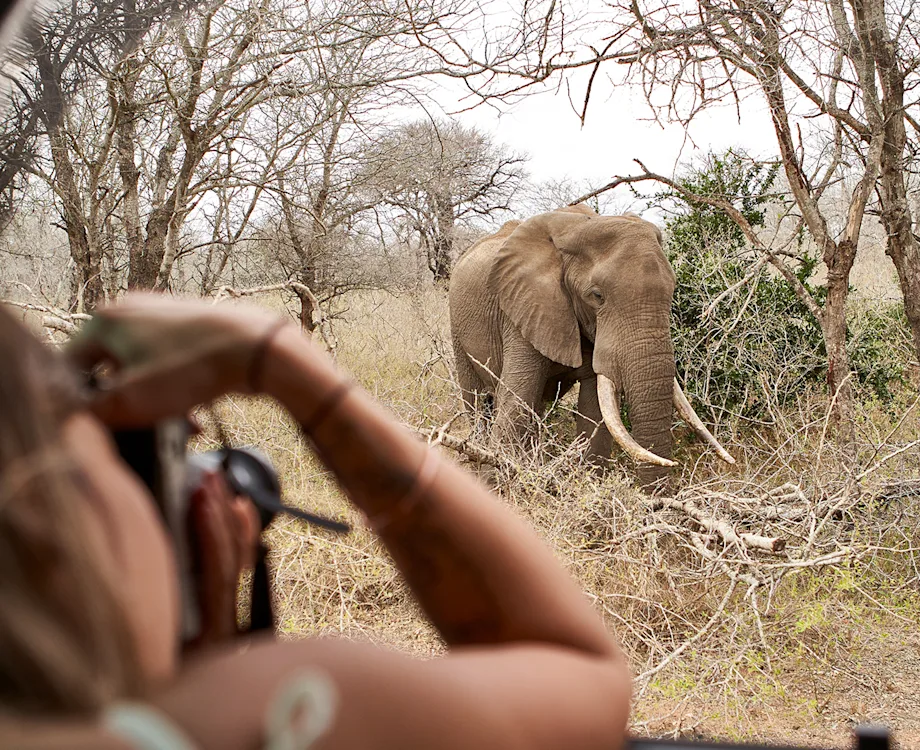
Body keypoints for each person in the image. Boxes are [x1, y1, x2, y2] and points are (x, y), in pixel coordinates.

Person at [0, 294, 631, 749]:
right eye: (135, 468)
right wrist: (281, 361)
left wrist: (207, 625)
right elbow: (581, 673)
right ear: (46, 526)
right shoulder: (256, 716)